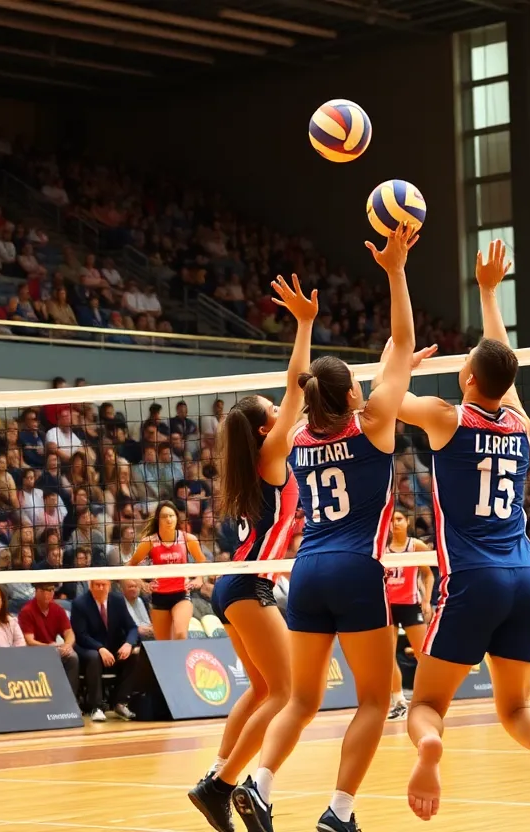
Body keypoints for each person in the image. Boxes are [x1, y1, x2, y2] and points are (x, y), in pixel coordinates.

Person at [229, 223, 419, 832]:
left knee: (302, 699)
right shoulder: (374, 424)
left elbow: (301, 385)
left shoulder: (297, 437)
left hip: (306, 571)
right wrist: (395, 270)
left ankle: (259, 785)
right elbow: (402, 339)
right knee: (374, 698)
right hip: (358, 569)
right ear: (353, 394)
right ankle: (339, 811)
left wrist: (308, 327)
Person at [391, 239, 530, 820]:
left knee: (426, 704)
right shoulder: (519, 422)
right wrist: (490, 292)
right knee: (516, 708)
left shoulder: (445, 417)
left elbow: (382, 401)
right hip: (524, 577)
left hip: (471, 578)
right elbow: (502, 360)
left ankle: (430, 745)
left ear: (468, 377)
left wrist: (402, 363)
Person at [187, 274, 316, 830]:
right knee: (287, 694)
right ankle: (220, 786)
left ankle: (216, 775)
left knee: (263, 688)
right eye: (274, 411)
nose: (282, 412)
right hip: (248, 586)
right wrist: (304, 324)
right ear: (267, 426)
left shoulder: (250, 462)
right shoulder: (271, 454)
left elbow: (290, 396)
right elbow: (295, 385)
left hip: (233, 585)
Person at [126, 500, 207, 639]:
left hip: (182, 594)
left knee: (180, 633)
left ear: (176, 517)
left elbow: (202, 562)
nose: (169, 519)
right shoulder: (149, 542)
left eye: (171, 516)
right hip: (159, 597)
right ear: (158, 519)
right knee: (164, 643)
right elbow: (130, 565)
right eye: (164, 516)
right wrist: (142, 584)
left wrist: (199, 579)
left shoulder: (188, 539)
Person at [386, 509, 434, 721]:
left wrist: (427, 600)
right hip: (388, 607)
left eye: (399, 519)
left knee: (423, 655)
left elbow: (428, 575)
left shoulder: (416, 546)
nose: (395, 523)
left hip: (410, 605)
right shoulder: (381, 547)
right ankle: (399, 702)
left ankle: (428, 699)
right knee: (388, 657)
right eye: (391, 520)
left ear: (407, 522)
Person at [71, 579, 140, 719]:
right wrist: (100, 648)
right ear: (91, 586)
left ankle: (120, 702)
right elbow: (81, 635)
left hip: (113, 649)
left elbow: (132, 627)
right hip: (89, 649)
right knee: (94, 656)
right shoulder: (80, 604)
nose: (101, 588)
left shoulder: (117, 600)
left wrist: (128, 643)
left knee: (135, 655)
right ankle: (95, 707)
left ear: (109, 586)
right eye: (98, 585)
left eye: (104, 585)